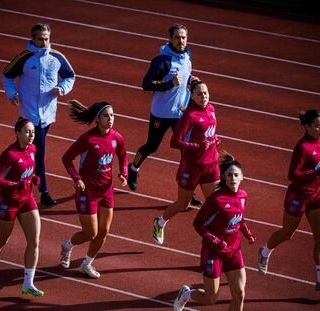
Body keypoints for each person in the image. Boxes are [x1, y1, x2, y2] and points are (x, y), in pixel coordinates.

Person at [127, 23, 202, 207]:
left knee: (188, 152)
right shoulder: (162, 61)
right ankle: (133, 167)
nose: (181, 41)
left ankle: (188, 191)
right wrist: (169, 83)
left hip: (181, 113)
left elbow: (186, 76)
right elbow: (146, 84)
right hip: (161, 113)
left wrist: (193, 81)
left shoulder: (188, 55)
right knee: (151, 146)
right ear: (170, 39)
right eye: (177, 37)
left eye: (183, 37)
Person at [2, 22, 75, 208]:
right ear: (33, 39)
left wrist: (62, 88)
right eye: (40, 39)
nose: (44, 42)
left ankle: (9, 170)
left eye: (47, 38)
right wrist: (13, 95)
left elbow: (70, 76)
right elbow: (7, 75)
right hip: (29, 114)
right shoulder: (25, 58)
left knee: (26, 149)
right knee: (39, 153)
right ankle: (44, 193)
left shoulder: (57, 57)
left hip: (48, 114)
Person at [174, 152, 256, 311]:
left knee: (239, 294)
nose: (233, 178)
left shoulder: (243, 196)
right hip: (213, 252)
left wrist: (247, 233)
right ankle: (187, 294)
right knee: (211, 298)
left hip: (234, 252)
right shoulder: (215, 199)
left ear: (242, 177)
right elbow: (198, 223)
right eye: (229, 175)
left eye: (236, 175)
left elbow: (240, 218)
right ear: (224, 177)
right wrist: (215, 240)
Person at [60, 100, 128, 278]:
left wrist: (124, 173)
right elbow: (67, 158)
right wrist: (76, 178)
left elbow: (123, 155)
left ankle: (86, 264)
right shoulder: (87, 139)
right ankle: (68, 245)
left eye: (112, 115)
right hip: (87, 192)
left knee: (103, 231)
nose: (110, 119)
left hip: (106, 191)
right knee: (91, 233)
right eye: (106, 115)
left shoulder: (116, 138)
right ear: (97, 119)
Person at [258, 109, 320, 290]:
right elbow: (292, 174)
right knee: (288, 233)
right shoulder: (303, 147)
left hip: (316, 196)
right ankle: (265, 250)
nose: (319, 128)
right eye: (316, 126)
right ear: (307, 127)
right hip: (299, 196)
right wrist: (315, 172)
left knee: (319, 239)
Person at [152, 80, 221, 245]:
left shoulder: (211, 109)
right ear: (192, 95)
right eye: (199, 93)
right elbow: (175, 142)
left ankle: (213, 240)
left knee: (217, 204)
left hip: (211, 164)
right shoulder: (189, 116)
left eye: (205, 92)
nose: (203, 96)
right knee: (183, 204)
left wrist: (214, 139)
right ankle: (160, 222)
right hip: (192, 166)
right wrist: (196, 146)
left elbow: (208, 133)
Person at [0, 117, 43, 297]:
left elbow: (28, 171)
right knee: (2, 240)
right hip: (7, 202)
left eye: (33, 131)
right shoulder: (9, 154)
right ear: (17, 133)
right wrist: (14, 185)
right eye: (27, 131)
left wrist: (33, 178)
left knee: (34, 241)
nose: (31, 135)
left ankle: (28, 283)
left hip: (26, 200)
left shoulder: (33, 148)